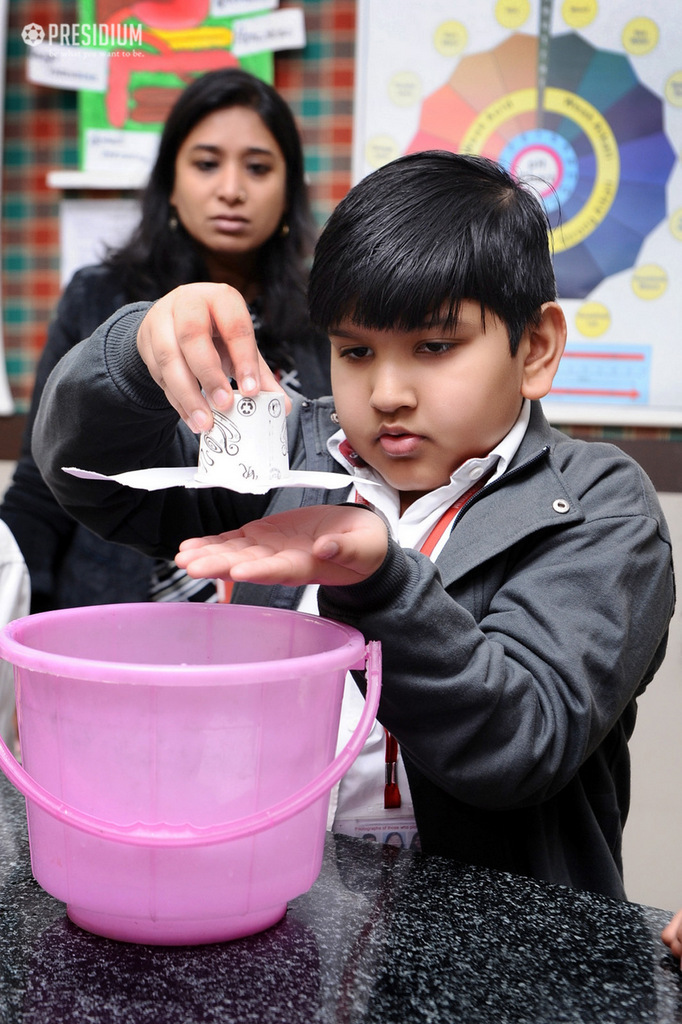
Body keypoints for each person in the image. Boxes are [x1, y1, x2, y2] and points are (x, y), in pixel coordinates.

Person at [32, 152, 675, 898]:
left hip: (497, 948)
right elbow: (92, 481)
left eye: (436, 347)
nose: (388, 392)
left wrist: (379, 582)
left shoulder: (601, 505)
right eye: (355, 350)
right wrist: (131, 357)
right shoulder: (291, 454)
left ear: (534, 349)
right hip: (283, 905)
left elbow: (521, 742)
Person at [1, 67, 330, 612]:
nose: (231, 188)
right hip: (117, 617)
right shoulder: (98, 297)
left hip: (282, 624)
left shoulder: (330, 317)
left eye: (257, 167)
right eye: (206, 164)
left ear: (289, 189)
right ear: (170, 184)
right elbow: (43, 484)